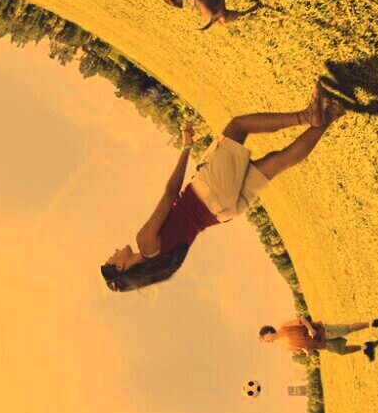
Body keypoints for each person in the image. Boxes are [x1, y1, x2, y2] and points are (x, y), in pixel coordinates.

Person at [101, 82, 345, 293]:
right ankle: (307, 116)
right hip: (208, 192)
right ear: (120, 266)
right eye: (112, 258)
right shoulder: (144, 242)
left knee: (277, 161)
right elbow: (171, 193)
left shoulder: (162, 267)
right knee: (238, 127)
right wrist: (186, 148)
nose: (113, 252)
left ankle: (332, 113)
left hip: (222, 213)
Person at [259, 316, 378, 360]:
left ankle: (374, 323)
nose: (267, 341)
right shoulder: (284, 347)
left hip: (321, 332)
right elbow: (303, 350)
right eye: (265, 341)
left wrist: (310, 329)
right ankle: (366, 347)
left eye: (265, 338)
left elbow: (301, 319)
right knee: (343, 351)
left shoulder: (283, 327)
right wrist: (307, 352)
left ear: (268, 332)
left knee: (347, 329)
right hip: (321, 345)